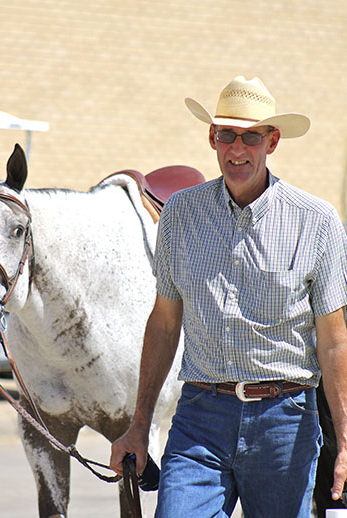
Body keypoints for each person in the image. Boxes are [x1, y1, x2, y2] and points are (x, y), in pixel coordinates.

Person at [110, 76, 347, 518]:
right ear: (211, 138)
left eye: (250, 137)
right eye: (226, 135)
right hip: (201, 417)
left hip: (286, 422)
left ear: (272, 141)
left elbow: (334, 341)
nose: (236, 149)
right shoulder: (180, 214)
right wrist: (139, 425)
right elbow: (164, 321)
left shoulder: (317, 222)